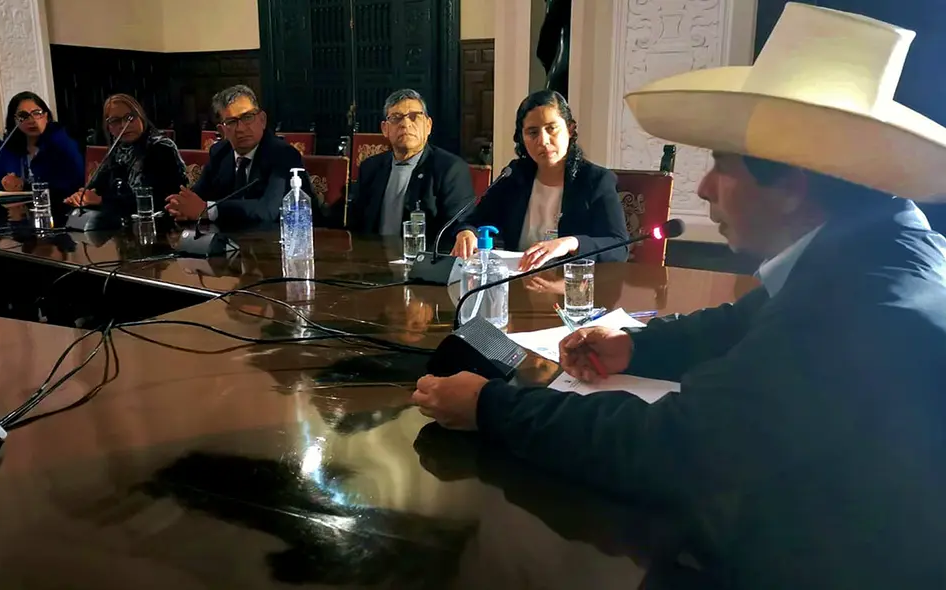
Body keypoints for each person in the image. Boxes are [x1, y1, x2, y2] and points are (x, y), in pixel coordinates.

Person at [413, 4, 946, 587]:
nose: (702, 187)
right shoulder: (876, 249)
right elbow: (735, 326)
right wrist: (633, 347)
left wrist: (491, 406)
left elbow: (671, 448)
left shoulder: (857, 310)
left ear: (793, 182)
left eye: (721, 164)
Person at [453, 89, 630, 271]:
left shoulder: (596, 181)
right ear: (522, 138)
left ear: (570, 129)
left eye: (551, 129)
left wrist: (571, 243)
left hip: (570, 289)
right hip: (518, 284)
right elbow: (476, 220)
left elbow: (618, 247)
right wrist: (467, 232)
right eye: (532, 132)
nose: (543, 140)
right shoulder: (514, 176)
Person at [165, 85, 312, 225]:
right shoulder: (219, 153)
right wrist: (181, 206)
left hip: (276, 243)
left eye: (247, 117)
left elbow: (269, 210)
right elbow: (199, 195)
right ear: (222, 131)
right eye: (232, 122)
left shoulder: (284, 155)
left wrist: (207, 210)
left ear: (262, 120)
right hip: (227, 242)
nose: (241, 129)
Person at [351, 89, 475, 244]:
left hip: (424, 262)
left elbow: (461, 221)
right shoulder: (371, 168)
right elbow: (354, 221)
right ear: (385, 129)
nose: (405, 124)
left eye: (414, 117)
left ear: (428, 126)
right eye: (396, 118)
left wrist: (465, 232)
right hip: (372, 258)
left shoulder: (450, 169)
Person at [65, 93, 186, 217]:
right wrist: (82, 197)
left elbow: (154, 200)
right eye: (115, 121)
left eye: (130, 117)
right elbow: (96, 188)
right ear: (109, 128)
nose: (123, 125)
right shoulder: (117, 151)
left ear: (141, 117)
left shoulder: (162, 148)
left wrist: (101, 201)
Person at [0, 91, 84, 212]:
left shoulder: (62, 143)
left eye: (37, 113)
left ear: (46, 116)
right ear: (14, 120)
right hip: (21, 212)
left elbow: (70, 184)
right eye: (23, 116)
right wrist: (4, 182)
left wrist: (24, 185)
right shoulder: (9, 147)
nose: (31, 120)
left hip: (59, 211)